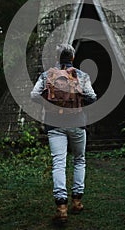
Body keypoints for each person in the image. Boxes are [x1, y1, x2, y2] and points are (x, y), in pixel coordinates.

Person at [31, 43, 97, 225]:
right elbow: (93, 97)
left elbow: (33, 95)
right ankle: (77, 201)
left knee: (58, 163)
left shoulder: (47, 75)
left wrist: (49, 103)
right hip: (77, 123)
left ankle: (61, 207)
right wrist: (78, 100)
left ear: (57, 58)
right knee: (79, 160)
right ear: (73, 58)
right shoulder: (82, 75)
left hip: (54, 124)